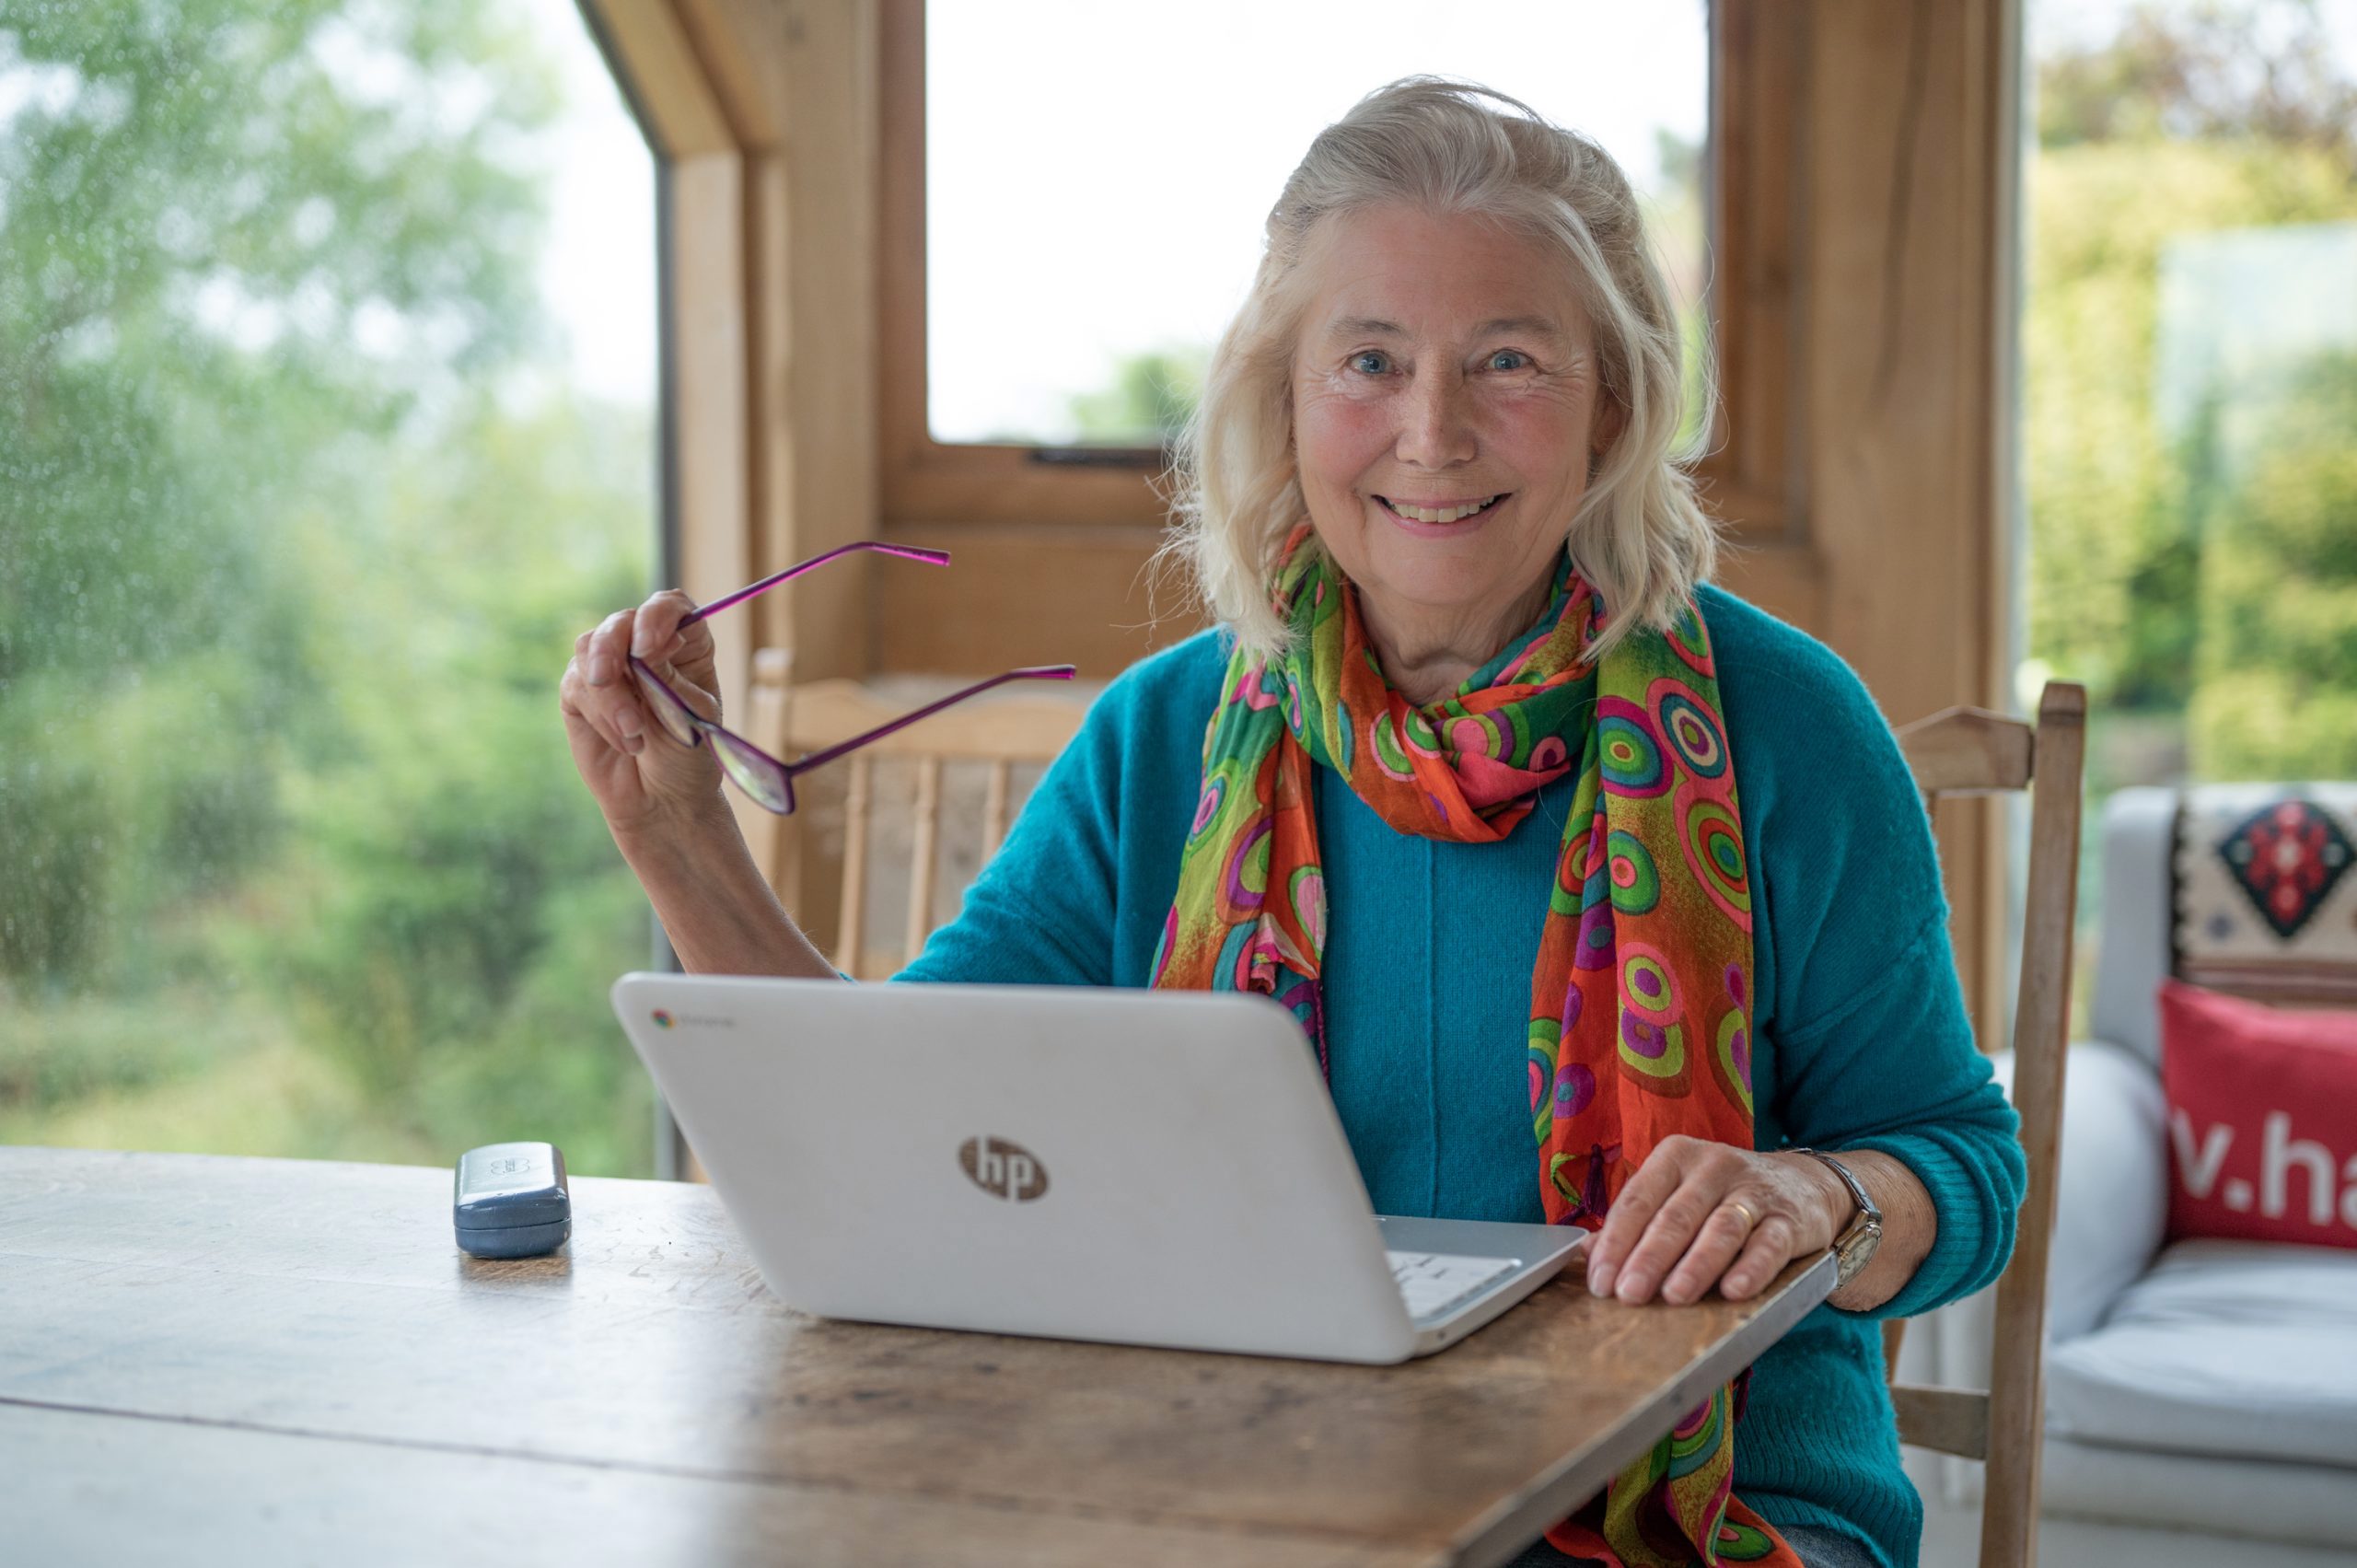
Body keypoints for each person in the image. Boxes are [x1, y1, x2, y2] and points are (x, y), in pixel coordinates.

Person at [560, 77, 2023, 1568]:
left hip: (1713, 1514)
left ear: (1615, 408)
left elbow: (1964, 1166)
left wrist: (1815, 1190)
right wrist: (682, 842)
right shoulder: (1166, 737)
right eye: (1370, 361)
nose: (1432, 433)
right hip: (1252, 1495)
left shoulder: (1788, 723)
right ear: (1285, 400)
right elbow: (890, 1145)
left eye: (1507, 360)